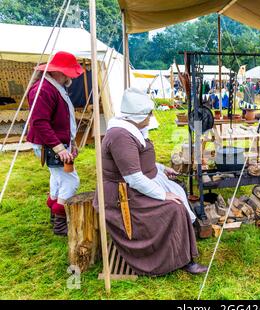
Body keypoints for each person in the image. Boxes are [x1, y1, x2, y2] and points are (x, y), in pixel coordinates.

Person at [94, 88, 206, 276]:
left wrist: (161, 169)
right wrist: (163, 194)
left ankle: (183, 250)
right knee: (174, 208)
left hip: (136, 184)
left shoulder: (131, 130)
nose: (151, 117)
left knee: (179, 191)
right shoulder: (121, 137)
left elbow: (140, 160)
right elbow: (134, 178)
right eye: (149, 114)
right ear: (138, 116)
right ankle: (179, 259)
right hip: (124, 195)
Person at [27, 51, 83, 236]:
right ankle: (60, 223)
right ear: (60, 71)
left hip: (56, 143)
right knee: (71, 180)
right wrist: (59, 148)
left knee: (58, 179)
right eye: (69, 72)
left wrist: (71, 143)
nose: (70, 77)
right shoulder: (43, 89)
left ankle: (54, 214)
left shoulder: (53, 87)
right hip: (50, 145)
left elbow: (62, 119)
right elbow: (39, 122)